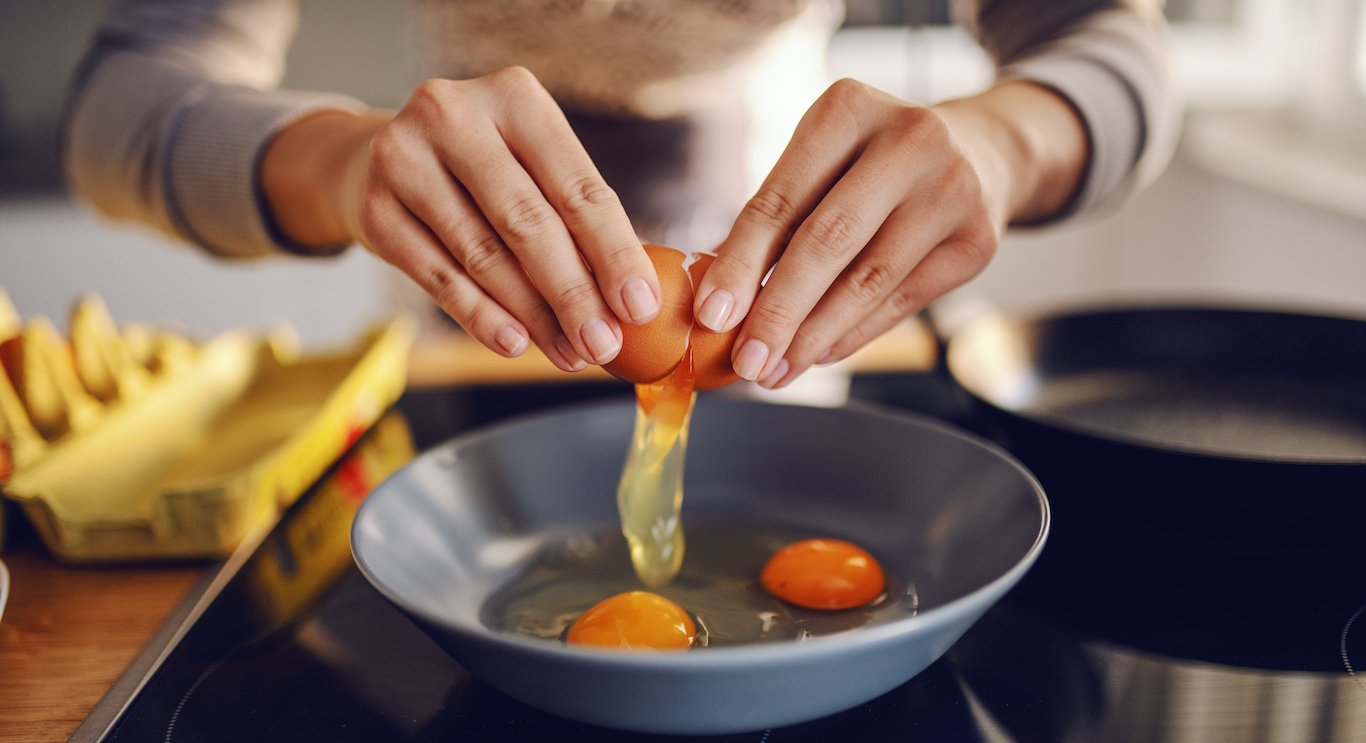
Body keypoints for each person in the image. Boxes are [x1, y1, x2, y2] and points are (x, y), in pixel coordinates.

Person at [63, 0, 1177, 389]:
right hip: (472, 310)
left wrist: (997, 148)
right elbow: (116, 110)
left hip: (798, 304)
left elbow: (1115, 51)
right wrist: (343, 166)